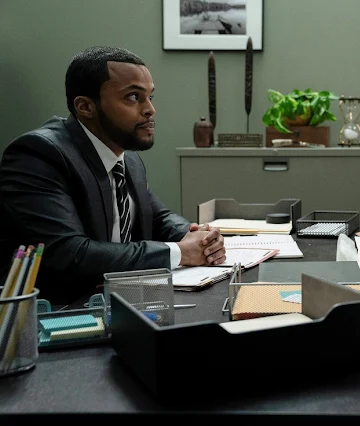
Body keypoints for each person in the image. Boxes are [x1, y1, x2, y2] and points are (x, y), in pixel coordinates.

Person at [0, 46, 227, 305]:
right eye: (133, 97)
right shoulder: (38, 154)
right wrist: (178, 252)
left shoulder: (127, 158)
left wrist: (200, 236)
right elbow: (71, 253)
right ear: (85, 106)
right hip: (57, 316)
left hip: (119, 303)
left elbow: (158, 218)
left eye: (150, 96)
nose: (150, 109)